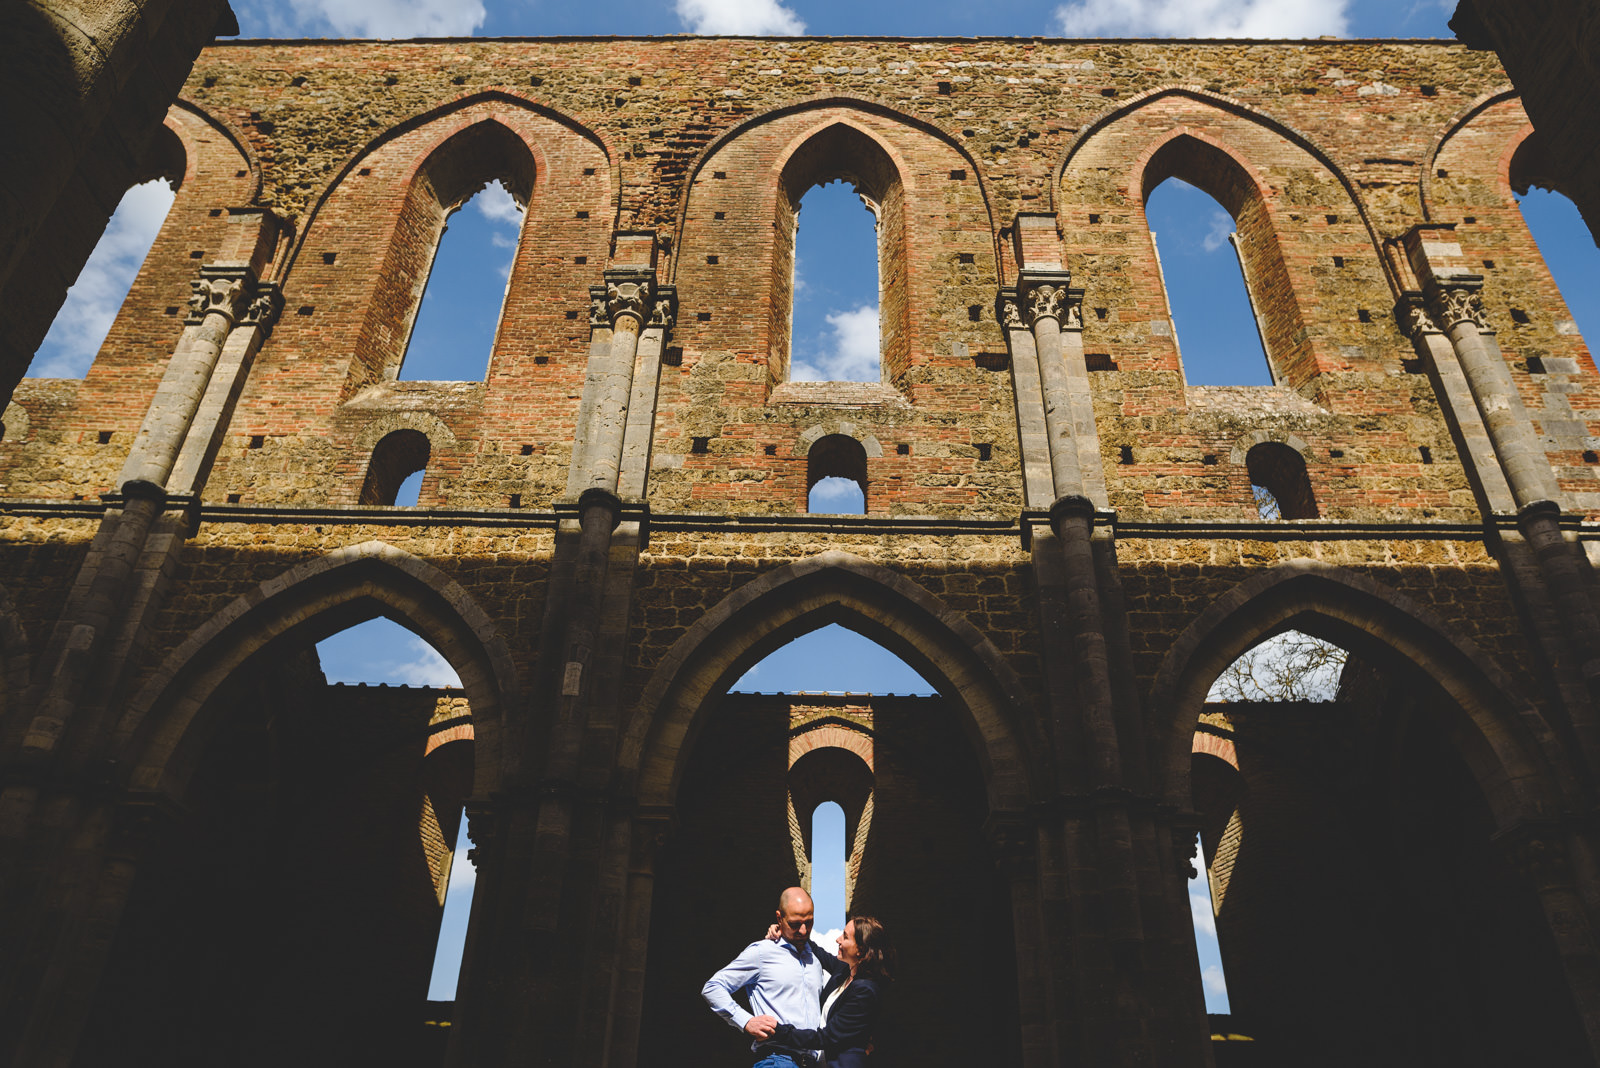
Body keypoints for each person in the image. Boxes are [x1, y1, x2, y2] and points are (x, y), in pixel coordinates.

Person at [703, 886, 839, 1067]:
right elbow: (713, 987)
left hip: (814, 1062)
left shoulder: (815, 959)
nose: (804, 931)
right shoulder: (762, 952)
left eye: (809, 922)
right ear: (779, 918)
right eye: (795, 924)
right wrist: (746, 1021)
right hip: (776, 1059)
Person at [768, 914, 893, 1068]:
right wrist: (784, 931)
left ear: (860, 950)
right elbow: (815, 950)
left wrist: (778, 1031)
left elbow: (826, 1037)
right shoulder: (844, 971)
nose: (838, 939)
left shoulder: (865, 991)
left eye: (845, 937)